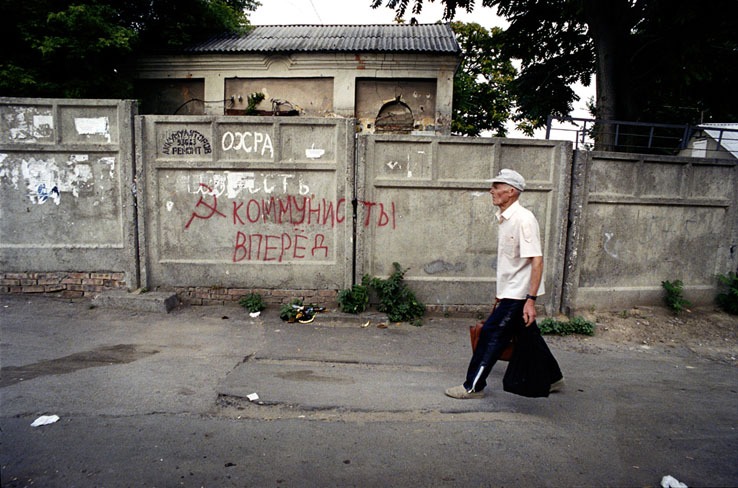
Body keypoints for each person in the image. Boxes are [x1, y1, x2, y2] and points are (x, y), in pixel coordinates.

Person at [445, 169, 564, 399]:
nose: (491, 190)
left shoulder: (523, 219)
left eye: (496, 186)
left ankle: (473, 387)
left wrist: (530, 300)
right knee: (529, 336)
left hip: (519, 295)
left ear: (511, 191)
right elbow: (513, 262)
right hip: (511, 291)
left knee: (491, 336)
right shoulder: (505, 218)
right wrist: (501, 292)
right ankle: (553, 378)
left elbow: (536, 260)